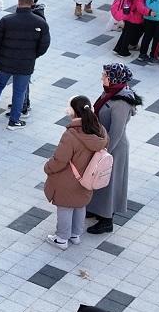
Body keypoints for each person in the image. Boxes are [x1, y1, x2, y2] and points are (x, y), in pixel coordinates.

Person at [44, 95, 110, 248]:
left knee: (65, 206)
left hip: (68, 179)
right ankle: (75, 235)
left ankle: (61, 238)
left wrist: (48, 167)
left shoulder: (71, 135)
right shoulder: (100, 130)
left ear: (72, 112)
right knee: (80, 205)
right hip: (88, 178)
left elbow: (60, 160)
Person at [0, 0, 50, 129]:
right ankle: (14, 121)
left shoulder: (7, 20)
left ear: (18, 2)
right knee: (19, 92)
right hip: (26, 65)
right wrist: (33, 55)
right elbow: (44, 45)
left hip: (4, 62)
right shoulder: (40, 23)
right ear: (32, 3)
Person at [86, 64, 140, 234]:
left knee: (109, 183)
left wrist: (104, 152)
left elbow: (116, 131)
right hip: (104, 143)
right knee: (100, 180)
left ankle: (106, 220)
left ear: (115, 78)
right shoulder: (111, 92)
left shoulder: (121, 102)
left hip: (114, 148)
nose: (102, 77)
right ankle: (96, 209)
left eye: (105, 75)